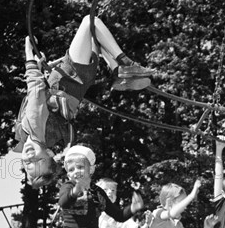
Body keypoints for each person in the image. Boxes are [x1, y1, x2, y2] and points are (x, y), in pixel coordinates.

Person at [14, 15, 153, 188]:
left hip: (75, 81)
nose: (30, 156)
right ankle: (125, 64)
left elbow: (41, 99)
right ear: (49, 153)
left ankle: (119, 72)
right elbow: (34, 91)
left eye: (28, 164)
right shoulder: (34, 130)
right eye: (38, 159)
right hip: (70, 77)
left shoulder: (31, 135)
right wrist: (29, 56)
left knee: (95, 38)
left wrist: (41, 70)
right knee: (90, 22)